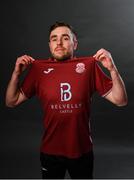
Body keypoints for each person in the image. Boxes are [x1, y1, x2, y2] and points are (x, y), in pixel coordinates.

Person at [5, 22, 128, 179]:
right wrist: (16, 73)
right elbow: (11, 101)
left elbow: (121, 100)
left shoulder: (88, 66)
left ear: (74, 43)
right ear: (49, 44)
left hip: (81, 150)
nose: (59, 42)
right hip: (50, 151)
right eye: (54, 38)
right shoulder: (38, 69)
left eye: (65, 38)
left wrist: (112, 69)